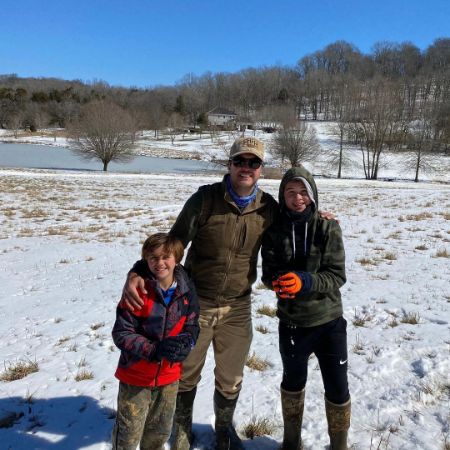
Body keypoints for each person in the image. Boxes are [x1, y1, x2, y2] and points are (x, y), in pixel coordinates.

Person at [122, 137, 278, 450]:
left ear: (261, 169)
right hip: (197, 304)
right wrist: (137, 272)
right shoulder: (205, 199)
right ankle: (180, 429)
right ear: (229, 165)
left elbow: (293, 229)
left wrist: (318, 217)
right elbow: (174, 244)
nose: (245, 168)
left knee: (231, 375)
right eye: (239, 161)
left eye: (253, 162)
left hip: (238, 306)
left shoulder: (268, 208)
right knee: (187, 370)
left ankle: (224, 430)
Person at [261, 166, 351, 450]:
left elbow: (337, 275)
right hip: (291, 324)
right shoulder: (274, 232)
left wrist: (305, 281)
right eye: (290, 192)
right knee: (292, 384)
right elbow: (267, 273)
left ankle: (339, 444)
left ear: (312, 195)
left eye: (303, 192)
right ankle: (291, 442)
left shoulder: (327, 226)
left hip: (328, 323)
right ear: (282, 195)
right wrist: (278, 282)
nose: (297, 198)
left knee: (337, 388)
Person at [111, 233, 199, 450]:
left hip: (170, 378)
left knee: (158, 434)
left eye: (166, 257)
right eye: (153, 258)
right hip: (136, 377)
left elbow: (193, 325)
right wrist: (154, 349)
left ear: (177, 258)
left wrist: (186, 344)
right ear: (146, 261)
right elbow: (122, 333)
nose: (160, 263)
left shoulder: (187, 291)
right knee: (128, 436)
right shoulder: (137, 292)